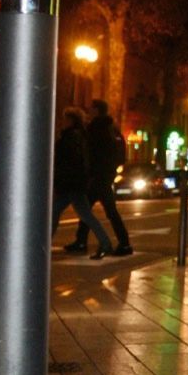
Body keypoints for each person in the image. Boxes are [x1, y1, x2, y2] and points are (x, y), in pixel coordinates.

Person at [69, 100, 134, 257]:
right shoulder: (112, 128)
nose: (89, 111)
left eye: (91, 108)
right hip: (105, 174)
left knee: (101, 210)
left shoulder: (97, 128)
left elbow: (93, 152)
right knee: (92, 209)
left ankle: (123, 243)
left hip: (99, 175)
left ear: (97, 110)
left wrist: (92, 171)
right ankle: (82, 240)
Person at [50, 107, 116, 255]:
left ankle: (105, 243)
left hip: (71, 183)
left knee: (80, 214)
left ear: (71, 120)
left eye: (65, 119)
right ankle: (105, 242)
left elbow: (69, 160)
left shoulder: (72, 137)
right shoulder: (79, 135)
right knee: (64, 212)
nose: (62, 122)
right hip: (75, 182)